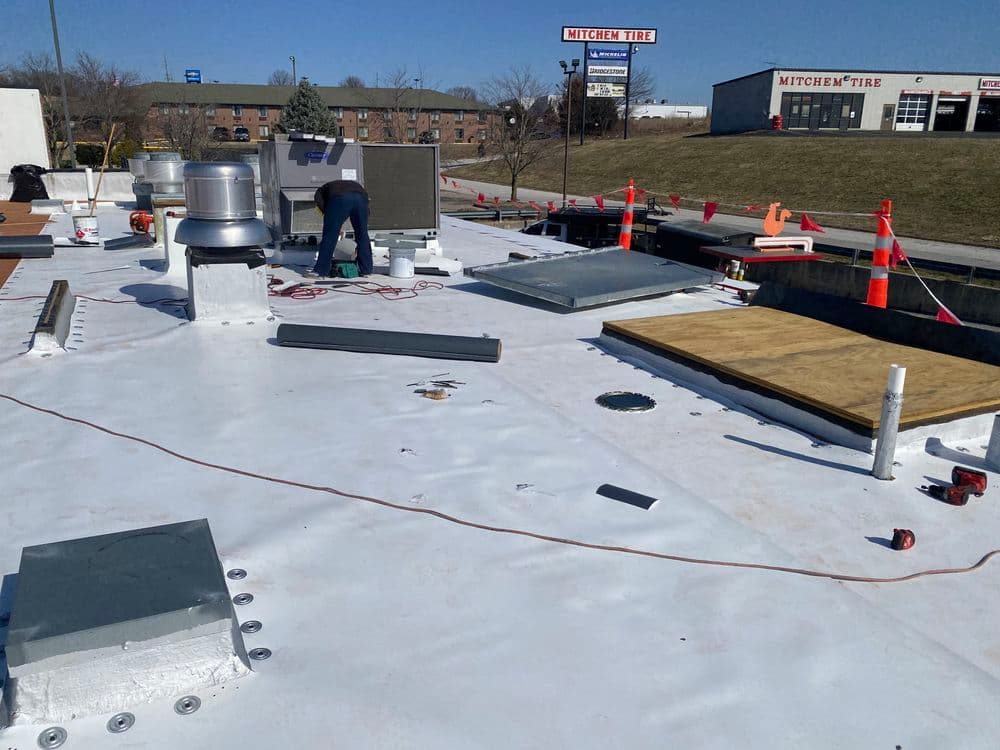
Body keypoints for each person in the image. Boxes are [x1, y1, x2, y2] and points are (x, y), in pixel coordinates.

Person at [312, 180, 372, 277]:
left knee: (330, 236)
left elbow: (325, 208)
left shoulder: (319, 193)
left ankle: (320, 270)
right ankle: (367, 270)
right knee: (362, 234)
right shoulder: (353, 185)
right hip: (361, 199)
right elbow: (366, 205)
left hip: (340, 198)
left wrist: (333, 224)